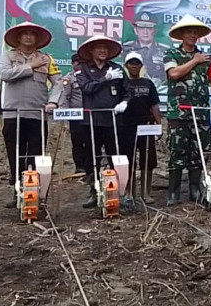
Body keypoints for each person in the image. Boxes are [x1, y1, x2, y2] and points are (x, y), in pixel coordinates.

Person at [0, 22, 62, 208]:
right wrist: (29, 66)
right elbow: (5, 74)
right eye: (24, 34)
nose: (28, 37)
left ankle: (35, 192)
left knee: (36, 155)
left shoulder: (47, 59)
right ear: (18, 38)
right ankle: (17, 190)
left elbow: (58, 83)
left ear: (37, 38)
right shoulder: (8, 55)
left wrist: (54, 101)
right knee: (15, 154)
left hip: (37, 114)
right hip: (13, 113)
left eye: (32, 34)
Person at [164, 15, 211, 205]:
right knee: (177, 153)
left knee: (198, 153)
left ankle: (195, 190)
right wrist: (194, 60)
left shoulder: (207, 58)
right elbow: (174, 74)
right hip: (178, 113)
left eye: (195, 33)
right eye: (188, 32)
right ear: (181, 35)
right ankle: (173, 193)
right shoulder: (171, 55)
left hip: (200, 113)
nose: (192, 35)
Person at [76, 35, 130, 208]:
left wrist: (125, 102)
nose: (102, 51)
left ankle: (117, 192)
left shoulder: (116, 68)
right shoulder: (83, 69)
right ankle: (94, 191)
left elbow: (127, 91)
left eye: (105, 48)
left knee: (115, 156)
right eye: (99, 47)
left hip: (113, 121)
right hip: (91, 121)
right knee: (91, 158)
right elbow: (87, 89)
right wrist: (104, 79)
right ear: (91, 50)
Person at [122, 52, 161, 203]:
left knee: (148, 160)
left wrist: (158, 124)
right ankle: (129, 193)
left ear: (141, 65)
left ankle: (146, 193)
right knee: (128, 160)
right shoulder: (122, 83)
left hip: (146, 126)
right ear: (126, 66)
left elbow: (154, 105)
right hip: (126, 126)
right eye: (131, 63)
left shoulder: (148, 83)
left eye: (137, 63)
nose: (134, 66)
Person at [60, 54, 90, 175]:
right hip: (75, 115)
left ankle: (90, 166)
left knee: (89, 141)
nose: (79, 65)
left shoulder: (90, 76)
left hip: (89, 114)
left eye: (82, 63)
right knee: (77, 141)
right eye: (77, 63)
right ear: (72, 64)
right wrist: (64, 115)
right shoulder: (69, 79)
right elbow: (65, 97)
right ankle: (79, 167)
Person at [123, 12, 170, 89]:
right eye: (141, 28)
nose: (145, 32)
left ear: (154, 31)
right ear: (135, 30)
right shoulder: (126, 48)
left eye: (149, 28)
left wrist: (160, 80)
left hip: (160, 90)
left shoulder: (164, 50)